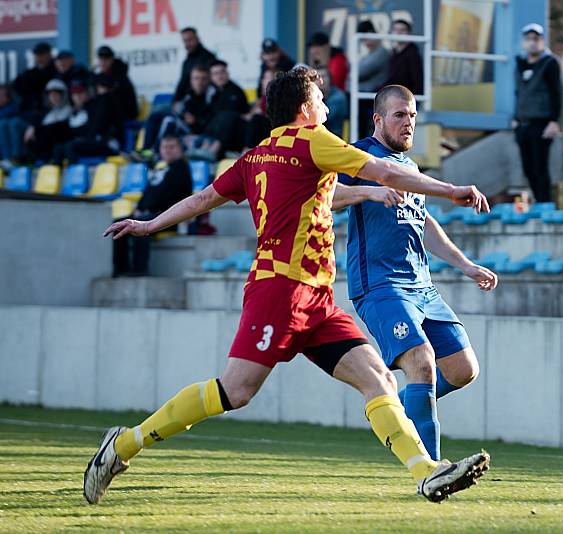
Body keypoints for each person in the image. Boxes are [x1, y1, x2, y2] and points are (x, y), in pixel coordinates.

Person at [87, 66, 491, 505]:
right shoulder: (315, 140)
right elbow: (386, 174)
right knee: (235, 390)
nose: (325, 106)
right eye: (320, 99)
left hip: (316, 298)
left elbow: (204, 199)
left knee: (378, 378)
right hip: (279, 291)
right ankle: (124, 444)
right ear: (304, 109)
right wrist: (453, 190)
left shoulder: (254, 155)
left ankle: (428, 472)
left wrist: (150, 224)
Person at [334, 85, 498, 460]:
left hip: (422, 287)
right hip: (380, 285)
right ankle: (432, 469)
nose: (408, 123)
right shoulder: (358, 157)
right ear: (378, 119)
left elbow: (421, 222)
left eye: (412, 116)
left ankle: (391, 406)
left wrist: (465, 265)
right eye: (399, 115)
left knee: (462, 369)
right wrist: (368, 193)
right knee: (421, 361)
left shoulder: (411, 169)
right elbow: (328, 197)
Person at [113, 135, 192, 276]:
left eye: (171, 147)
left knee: (141, 224)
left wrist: (146, 209)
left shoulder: (181, 168)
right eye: (164, 147)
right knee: (119, 225)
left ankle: (140, 269)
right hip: (152, 214)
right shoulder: (162, 169)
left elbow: (167, 195)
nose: (167, 151)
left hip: (171, 217)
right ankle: (120, 269)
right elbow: (150, 192)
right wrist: (140, 207)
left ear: (180, 149)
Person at [512, 23, 561, 203]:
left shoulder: (550, 64)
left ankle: (545, 204)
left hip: (542, 124)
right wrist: (515, 118)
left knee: (541, 167)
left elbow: (557, 93)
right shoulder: (520, 64)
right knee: (528, 168)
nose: (532, 43)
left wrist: (554, 121)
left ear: (542, 41)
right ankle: (538, 201)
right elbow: (518, 94)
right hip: (523, 124)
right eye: (528, 39)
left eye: (536, 39)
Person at [22, 79, 72, 162]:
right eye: (51, 95)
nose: (53, 97)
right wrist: (32, 128)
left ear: (63, 95)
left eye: (56, 94)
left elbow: (56, 129)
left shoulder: (68, 110)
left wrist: (36, 130)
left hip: (59, 146)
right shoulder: (47, 112)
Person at [355, 20, 390, 138]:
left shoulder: (382, 53)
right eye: (364, 38)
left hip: (373, 97)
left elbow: (357, 72)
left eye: (369, 35)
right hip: (365, 97)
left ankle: (361, 141)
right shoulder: (368, 55)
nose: (367, 41)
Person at [173, 27, 217, 105]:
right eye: (185, 41)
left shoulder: (209, 57)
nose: (187, 44)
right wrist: (175, 101)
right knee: (158, 112)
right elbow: (182, 82)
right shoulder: (187, 60)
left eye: (190, 40)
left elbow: (208, 85)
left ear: (198, 39)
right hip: (185, 101)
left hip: (197, 103)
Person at [95, 46, 138, 121]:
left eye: (106, 59)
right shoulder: (98, 76)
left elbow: (122, 96)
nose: (103, 62)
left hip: (125, 114)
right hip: (107, 116)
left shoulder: (121, 75)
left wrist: (107, 91)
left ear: (112, 60)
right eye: (101, 59)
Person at [386, 20, 423, 95]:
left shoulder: (413, 55)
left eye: (402, 30)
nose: (398, 33)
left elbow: (417, 83)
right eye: (395, 30)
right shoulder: (394, 54)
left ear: (409, 33)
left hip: (405, 99)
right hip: (394, 95)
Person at [318, 68, 347, 138]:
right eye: (318, 77)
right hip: (319, 135)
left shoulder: (338, 97)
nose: (321, 80)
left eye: (324, 76)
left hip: (334, 136)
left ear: (330, 79)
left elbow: (323, 118)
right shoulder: (313, 95)